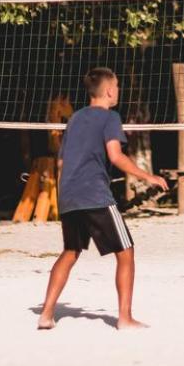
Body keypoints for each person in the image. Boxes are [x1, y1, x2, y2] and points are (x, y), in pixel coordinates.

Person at [37, 67, 168, 332]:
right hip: (95, 195)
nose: (118, 90)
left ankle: (46, 314)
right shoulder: (110, 117)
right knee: (126, 253)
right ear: (109, 90)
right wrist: (148, 177)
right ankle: (125, 318)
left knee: (70, 252)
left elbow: (62, 162)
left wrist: (64, 194)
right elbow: (116, 156)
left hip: (69, 196)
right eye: (117, 86)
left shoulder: (74, 119)